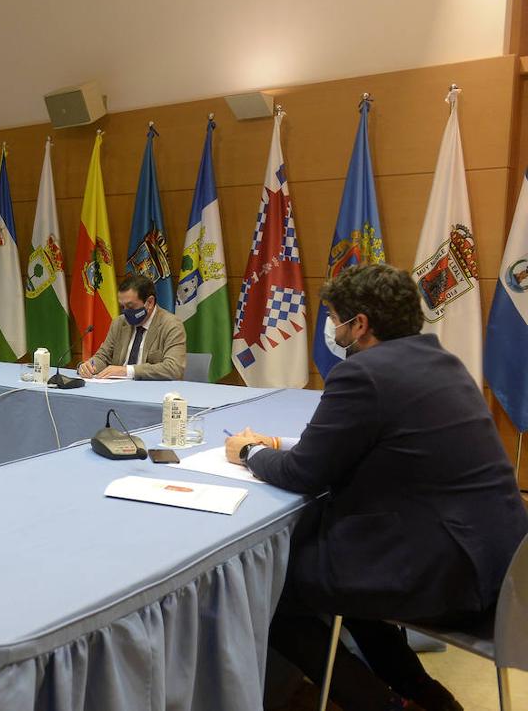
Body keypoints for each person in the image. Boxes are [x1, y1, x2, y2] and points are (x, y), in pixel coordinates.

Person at [222, 265, 528, 711]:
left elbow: (304, 473)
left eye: (333, 317)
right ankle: (427, 698)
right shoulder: (443, 361)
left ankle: (379, 704)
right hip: (499, 563)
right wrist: (282, 445)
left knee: (274, 591)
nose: (332, 327)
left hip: (450, 574)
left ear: (359, 324)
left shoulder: (364, 373)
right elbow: (378, 442)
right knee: (347, 581)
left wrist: (248, 452)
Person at [78, 274, 185, 380]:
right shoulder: (119, 323)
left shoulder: (171, 325)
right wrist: (90, 366)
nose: (125, 312)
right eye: (122, 306)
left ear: (149, 302)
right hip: (118, 389)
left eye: (130, 306)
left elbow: (173, 368)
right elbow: (103, 357)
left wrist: (127, 371)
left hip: (152, 392)